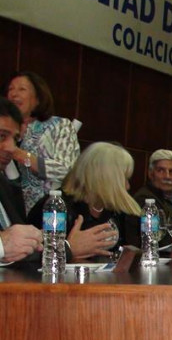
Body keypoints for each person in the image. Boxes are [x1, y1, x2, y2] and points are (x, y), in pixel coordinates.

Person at [0, 99, 112, 264]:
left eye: (15, 139)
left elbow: (25, 255)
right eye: (2, 136)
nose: (11, 147)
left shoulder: (8, 188)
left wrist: (65, 247)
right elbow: (8, 248)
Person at [28, 142, 142, 253]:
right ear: (105, 178)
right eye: (124, 179)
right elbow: (39, 257)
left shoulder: (114, 211)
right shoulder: (57, 207)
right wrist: (70, 251)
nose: (128, 186)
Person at [4, 71, 80, 214]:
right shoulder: (5, 129)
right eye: (10, 89)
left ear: (38, 98)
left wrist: (19, 154)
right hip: (10, 215)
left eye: (21, 89)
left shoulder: (59, 126)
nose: (13, 94)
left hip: (48, 215)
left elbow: (66, 170)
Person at [132, 150, 172, 246]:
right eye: (161, 170)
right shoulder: (145, 199)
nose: (167, 176)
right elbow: (164, 238)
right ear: (150, 173)